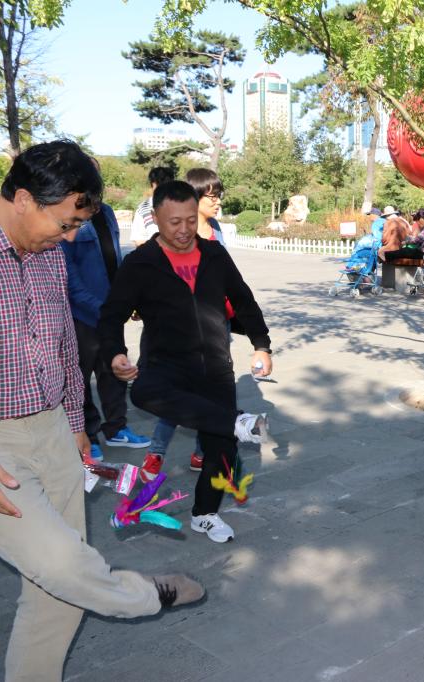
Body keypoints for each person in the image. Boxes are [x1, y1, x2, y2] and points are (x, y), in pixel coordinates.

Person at [0, 141, 203, 681]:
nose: (71, 238)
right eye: (66, 223)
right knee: (63, 565)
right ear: (24, 199)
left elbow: (63, 348)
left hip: (54, 431)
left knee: (56, 596)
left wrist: (77, 424)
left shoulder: (49, 253)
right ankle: (144, 594)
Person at [99, 180, 272, 544]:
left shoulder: (214, 255)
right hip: (166, 363)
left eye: (190, 220)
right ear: (156, 218)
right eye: (174, 222)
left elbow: (243, 300)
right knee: (142, 392)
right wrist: (115, 353)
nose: (183, 229)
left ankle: (205, 514)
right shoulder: (141, 263)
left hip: (215, 364)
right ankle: (236, 422)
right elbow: (111, 315)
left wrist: (261, 345)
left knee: (221, 448)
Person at [143, 167, 226, 476]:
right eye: (211, 196)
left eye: (219, 196)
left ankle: (201, 453)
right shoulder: (173, 236)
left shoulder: (216, 230)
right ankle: (156, 453)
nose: (217, 202)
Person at [61, 199, 151, 462]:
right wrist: (104, 309)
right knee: (81, 378)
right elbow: (70, 278)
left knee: (115, 370)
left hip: (110, 310)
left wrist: (128, 300)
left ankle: (116, 428)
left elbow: (114, 257)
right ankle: (88, 435)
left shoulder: (108, 212)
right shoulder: (71, 215)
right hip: (83, 315)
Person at [130, 166, 175, 246]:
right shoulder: (143, 208)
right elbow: (139, 240)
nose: (163, 188)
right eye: (159, 184)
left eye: (166, 183)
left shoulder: (180, 205)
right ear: (152, 184)